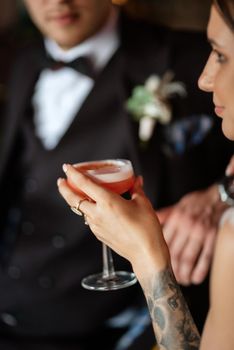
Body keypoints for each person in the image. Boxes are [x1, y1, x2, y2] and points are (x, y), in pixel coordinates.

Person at [0, 0, 233, 349]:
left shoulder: (184, 57)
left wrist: (219, 195)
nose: (57, 2)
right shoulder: (21, 60)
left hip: (111, 331)